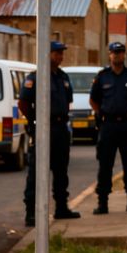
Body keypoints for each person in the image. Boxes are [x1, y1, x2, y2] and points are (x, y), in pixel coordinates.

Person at [20, 41, 79, 227]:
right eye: (56, 53)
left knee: (61, 171)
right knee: (37, 172)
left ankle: (62, 208)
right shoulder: (36, 77)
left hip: (61, 129)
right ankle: (31, 213)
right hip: (43, 129)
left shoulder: (63, 77)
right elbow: (23, 103)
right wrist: (33, 122)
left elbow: (68, 101)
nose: (60, 57)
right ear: (47, 54)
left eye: (61, 53)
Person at [89, 42, 127, 215]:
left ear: (124, 55)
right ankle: (102, 203)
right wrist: (101, 114)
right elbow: (94, 100)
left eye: (120, 52)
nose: (117, 55)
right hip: (108, 126)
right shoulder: (102, 76)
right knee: (105, 165)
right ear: (110, 55)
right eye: (115, 53)